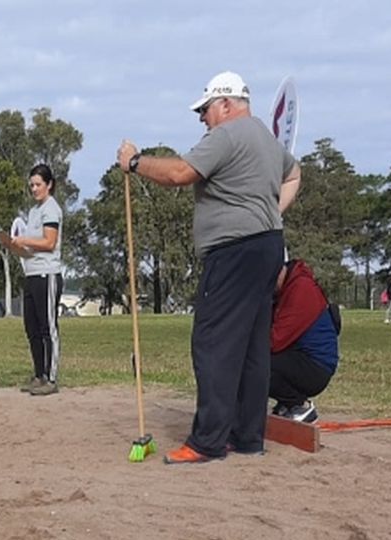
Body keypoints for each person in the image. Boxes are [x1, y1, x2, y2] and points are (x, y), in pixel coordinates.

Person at [118, 70, 301, 463]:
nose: (202, 117)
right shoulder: (266, 140)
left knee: (213, 342)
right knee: (252, 346)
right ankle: (248, 437)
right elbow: (295, 173)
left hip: (233, 252)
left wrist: (134, 162)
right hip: (268, 245)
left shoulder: (227, 136)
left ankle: (207, 441)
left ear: (226, 104)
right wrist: (271, 211)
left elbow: (180, 174)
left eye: (205, 109)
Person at [7, 163, 64, 396]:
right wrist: (15, 245)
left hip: (47, 274)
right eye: (31, 185)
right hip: (31, 274)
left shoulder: (51, 209)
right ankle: (39, 374)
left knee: (47, 327)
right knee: (31, 327)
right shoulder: (33, 212)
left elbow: (49, 242)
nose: (34, 189)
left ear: (49, 185)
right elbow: (31, 243)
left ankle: (50, 378)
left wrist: (25, 242)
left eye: (38, 184)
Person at [270, 259, 339, 423]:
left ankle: (299, 406)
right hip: (300, 357)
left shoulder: (301, 289)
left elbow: (275, 340)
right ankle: (287, 404)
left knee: (255, 365)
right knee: (254, 362)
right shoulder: (288, 288)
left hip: (316, 366)